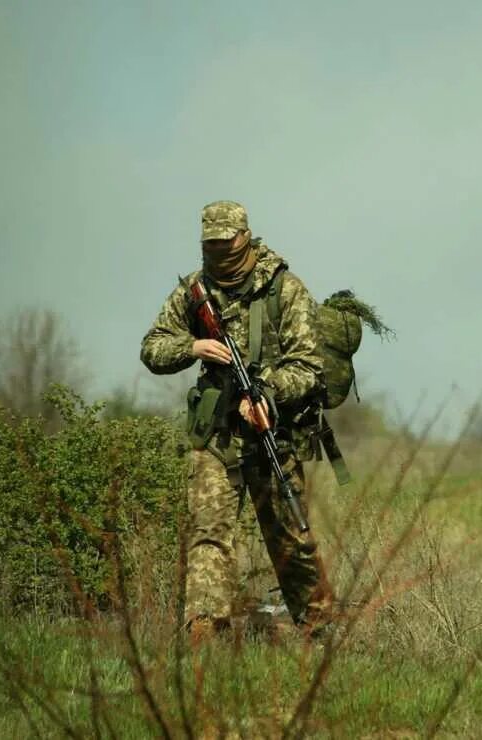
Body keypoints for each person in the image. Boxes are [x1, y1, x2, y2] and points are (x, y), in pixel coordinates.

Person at [140, 200, 332, 642]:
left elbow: (308, 365)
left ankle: (319, 632)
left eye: (227, 247)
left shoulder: (285, 289)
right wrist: (192, 347)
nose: (222, 258)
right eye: (212, 249)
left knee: (291, 536)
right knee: (208, 532)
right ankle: (203, 630)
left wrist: (268, 392)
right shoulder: (195, 289)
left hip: (272, 432)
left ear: (245, 238)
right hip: (218, 434)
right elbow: (152, 347)